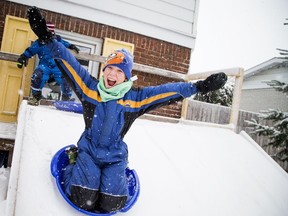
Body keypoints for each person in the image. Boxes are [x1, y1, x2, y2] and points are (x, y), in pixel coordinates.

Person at [27, 6, 228, 213]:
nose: (112, 75)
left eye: (119, 71)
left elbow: (167, 91)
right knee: (82, 197)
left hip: (114, 156)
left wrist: (197, 87)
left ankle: (113, 176)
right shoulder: (90, 90)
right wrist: (48, 39)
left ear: (126, 76)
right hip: (89, 151)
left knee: (112, 203)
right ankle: (73, 163)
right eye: (109, 69)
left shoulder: (134, 99)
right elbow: (69, 63)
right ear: (104, 71)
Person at [17, 21, 80, 105]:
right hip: (45, 65)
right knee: (37, 75)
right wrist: (23, 57)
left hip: (58, 66)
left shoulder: (57, 39)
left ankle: (66, 98)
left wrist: (71, 46)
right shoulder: (39, 42)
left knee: (67, 77)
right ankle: (36, 97)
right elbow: (31, 50)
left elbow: (64, 43)